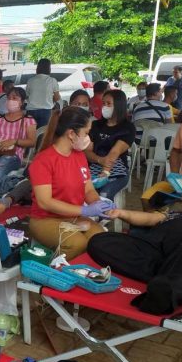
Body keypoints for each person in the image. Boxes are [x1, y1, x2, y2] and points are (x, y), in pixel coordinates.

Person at [90, 198, 182, 315]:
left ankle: (166, 296)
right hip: (157, 243)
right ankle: (171, 274)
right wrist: (121, 213)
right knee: (100, 241)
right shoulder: (180, 214)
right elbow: (149, 219)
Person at [28, 106, 111, 260]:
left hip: (73, 217)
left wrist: (101, 207)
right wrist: (84, 211)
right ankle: (53, 273)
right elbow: (44, 202)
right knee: (77, 243)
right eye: (86, 133)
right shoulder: (43, 160)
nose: (89, 138)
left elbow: (89, 191)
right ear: (71, 134)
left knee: (101, 240)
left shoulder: (79, 156)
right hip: (45, 219)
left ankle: (82, 274)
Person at [85, 89, 136, 200]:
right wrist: (99, 160)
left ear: (119, 105)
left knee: (105, 193)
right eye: (103, 103)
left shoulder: (127, 127)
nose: (105, 106)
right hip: (93, 167)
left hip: (117, 171)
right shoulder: (96, 125)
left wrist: (105, 171)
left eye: (108, 104)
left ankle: (107, 216)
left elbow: (115, 152)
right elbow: (87, 151)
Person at [26, 58, 60, 128]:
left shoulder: (30, 80)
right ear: (49, 68)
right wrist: (50, 99)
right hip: (46, 112)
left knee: (30, 134)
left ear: (38, 68)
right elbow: (57, 97)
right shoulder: (52, 80)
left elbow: (27, 96)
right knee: (42, 135)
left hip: (31, 111)